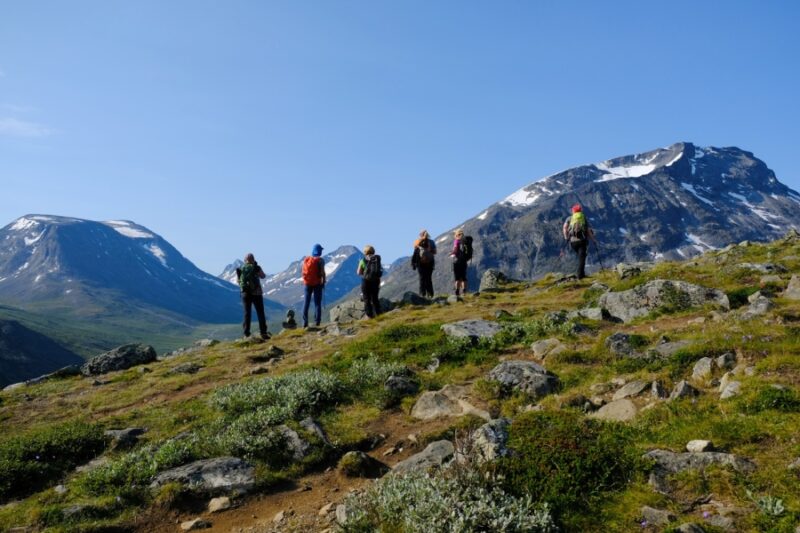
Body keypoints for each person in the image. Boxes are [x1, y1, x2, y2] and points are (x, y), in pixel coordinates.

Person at [236, 253, 269, 339]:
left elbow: (239, 281)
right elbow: (263, 276)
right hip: (256, 293)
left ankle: (246, 333)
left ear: (245, 260)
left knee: (247, 313)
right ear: (253, 259)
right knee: (260, 312)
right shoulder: (256, 267)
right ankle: (263, 332)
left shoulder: (241, 269)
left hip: (245, 294)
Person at [562, 204, 594, 279]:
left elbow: (565, 228)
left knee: (580, 257)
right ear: (580, 210)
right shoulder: (583, 218)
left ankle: (581, 274)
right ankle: (580, 276)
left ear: (573, 211)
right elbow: (588, 230)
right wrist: (593, 240)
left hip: (573, 242)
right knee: (582, 258)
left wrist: (566, 237)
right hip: (582, 240)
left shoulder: (569, 218)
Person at [302, 243, 327, 328]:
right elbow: (322, 272)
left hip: (307, 284)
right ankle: (317, 322)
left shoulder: (307, 259)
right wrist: (324, 281)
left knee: (306, 302)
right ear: (319, 251)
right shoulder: (320, 260)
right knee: (317, 303)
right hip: (317, 283)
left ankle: (305, 323)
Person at [356, 245, 382, 318]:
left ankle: (370, 315)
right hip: (376, 280)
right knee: (375, 298)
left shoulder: (363, 260)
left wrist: (364, 273)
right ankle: (379, 314)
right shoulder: (377, 260)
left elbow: (358, 272)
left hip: (366, 281)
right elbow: (379, 271)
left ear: (365, 252)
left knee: (366, 298)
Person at [411, 230, 437, 298]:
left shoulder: (417, 241)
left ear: (420, 235)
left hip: (420, 263)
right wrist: (429, 250)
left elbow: (415, 247)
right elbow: (435, 252)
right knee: (428, 279)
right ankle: (430, 294)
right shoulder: (431, 242)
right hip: (430, 262)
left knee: (422, 278)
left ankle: (422, 294)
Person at [450, 229, 470, 297]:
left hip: (457, 261)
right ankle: (464, 291)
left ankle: (457, 292)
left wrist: (452, 254)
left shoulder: (457, 241)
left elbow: (455, 249)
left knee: (457, 278)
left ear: (456, 235)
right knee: (464, 277)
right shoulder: (465, 241)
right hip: (464, 261)